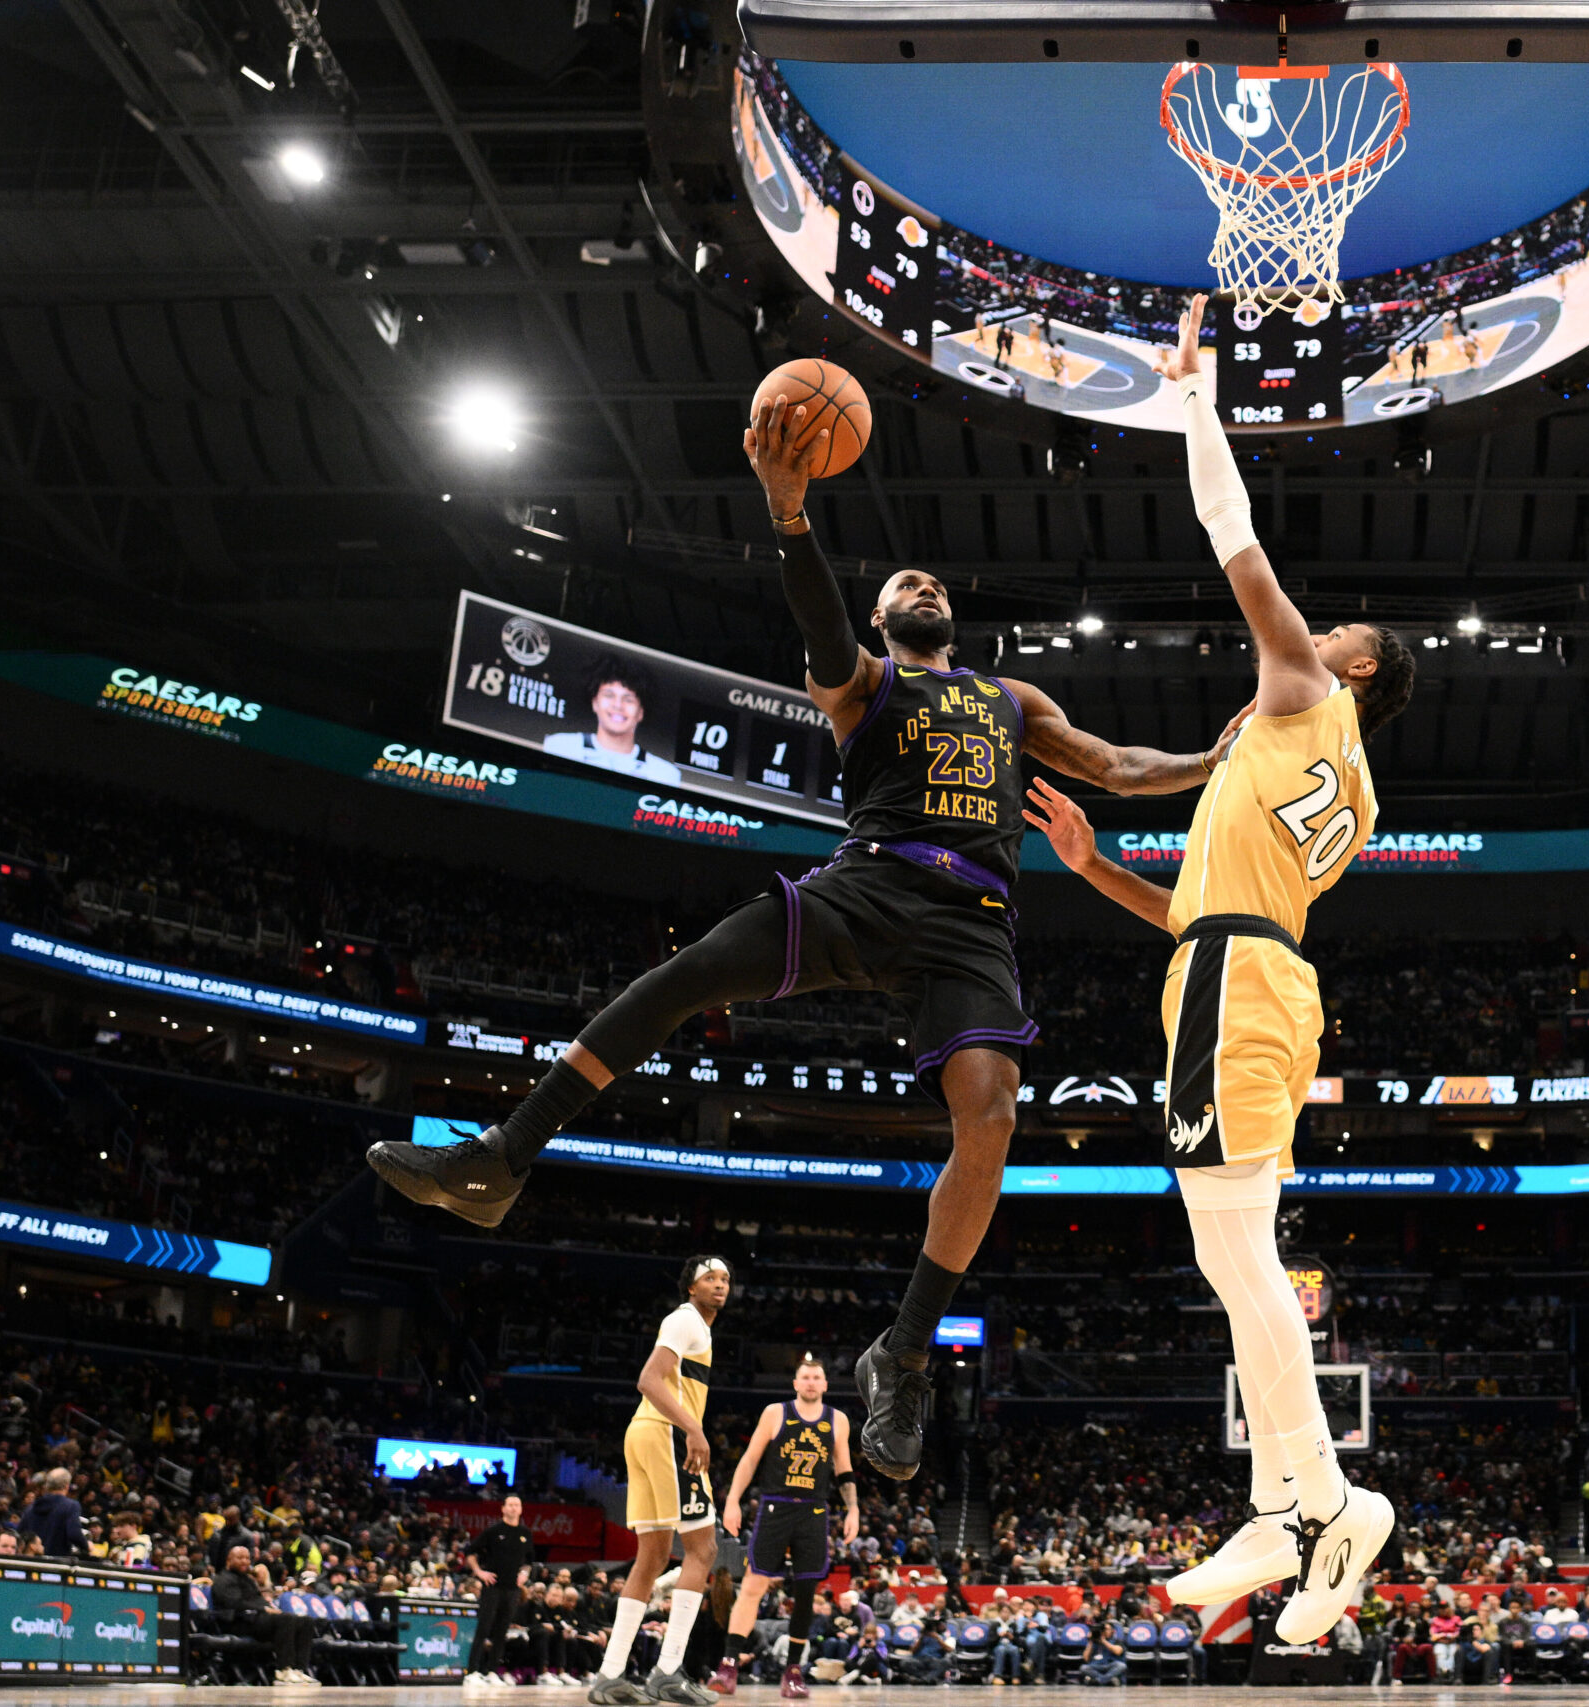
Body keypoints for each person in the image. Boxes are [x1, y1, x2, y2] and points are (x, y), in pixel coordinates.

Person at [366, 388, 1234, 1485]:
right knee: (685, 976)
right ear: (882, 622)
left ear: (949, 616)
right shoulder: (862, 682)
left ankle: (903, 1351)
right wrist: (790, 518)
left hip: (971, 920)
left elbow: (1113, 767)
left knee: (992, 1116)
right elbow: (819, 626)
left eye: (928, 580)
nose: (917, 582)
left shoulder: (1010, 700)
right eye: (897, 584)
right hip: (865, 885)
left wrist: (1207, 762)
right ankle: (502, 1157)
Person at [1031, 292, 1414, 1648]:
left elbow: (1231, 536)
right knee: (1225, 1249)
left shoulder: (1309, 694)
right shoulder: (1328, 789)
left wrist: (1196, 403)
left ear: (1350, 666)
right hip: (1232, 977)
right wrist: (1092, 870)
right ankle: (1280, 1503)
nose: (1301, 637)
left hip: (1239, 994)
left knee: (1239, 1255)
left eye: (1328, 634)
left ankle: (1326, 1504)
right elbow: (1207, 914)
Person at [590, 1258, 730, 1706]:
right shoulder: (685, 1320)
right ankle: (668, 1670)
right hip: (665, 1433)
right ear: (691, 1286)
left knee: (650, 1558)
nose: (720, 1285)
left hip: (646, 1432)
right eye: (710, 1278)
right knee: (703, 1548)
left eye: (726, 1279)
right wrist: (693, 1428)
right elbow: (648, 1379)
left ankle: (610, 1674)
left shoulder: (694, 1326)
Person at [715, 1355, 858, 1700]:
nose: (810, 1382)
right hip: (775, 1507)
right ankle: (728, 1665)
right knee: (753, 1585)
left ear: (825, 1384)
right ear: (795, 1383)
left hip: (814, 1511)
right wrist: (732, 1500)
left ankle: (793, 1671)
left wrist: (853, 1508)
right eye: (805, 1377)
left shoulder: (838, 1420)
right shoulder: (774, 1412)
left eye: (816, 1377)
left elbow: (845, 1470)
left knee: (806, 1594)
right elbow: (749, 1459)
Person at [542, 653, 684, 783]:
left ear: (641, 712)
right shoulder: (559, 746)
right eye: (609, 695)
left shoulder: (664, 774)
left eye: (628, 699)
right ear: (594, 702)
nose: (618, 705)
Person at [214, 1542, 320, 1687]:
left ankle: (298, 1669)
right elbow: (235, 1604)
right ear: (229, 1560)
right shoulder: (223, 1579)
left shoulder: (247, 1579)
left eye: (247, 1558)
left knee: (306, 1621)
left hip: (256, 1619)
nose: (245, 1561)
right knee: (286, 1619)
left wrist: (269, 1608)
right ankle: (283, 1670)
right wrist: (264, 1610)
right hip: (237, 1621)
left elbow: (258, 1600)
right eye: (240, 1558)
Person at [465, 1492, 537, 1692]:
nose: (514, 1508)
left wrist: (524, 1573)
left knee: (501, 1631)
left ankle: (492, 1671)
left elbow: (529, 1562)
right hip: (493, 1587)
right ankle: (472, 1672)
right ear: (503, 1508)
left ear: (521, 1509)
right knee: (484, 1628)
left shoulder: (525, 1533)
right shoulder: (494, 1531)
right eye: (510, 1505)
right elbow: (470, 1552)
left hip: (512, 1589)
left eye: (517, 1504)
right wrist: (479, 1572)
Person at [20, 1465, 84, 1560]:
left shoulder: (31, 1508)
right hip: (57, 1565)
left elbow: (21, 1534)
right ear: (66, 1486)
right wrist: (87, 1547)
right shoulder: (70, 1506)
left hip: (32, 1562)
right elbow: (74, 1534)